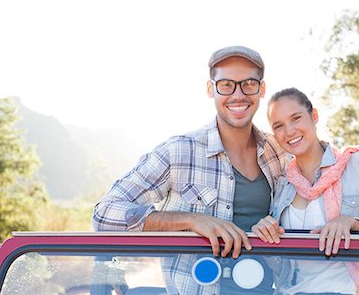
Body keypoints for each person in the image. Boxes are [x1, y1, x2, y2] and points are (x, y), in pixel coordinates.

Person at [92, 45, 285, 294]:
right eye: (226, 84)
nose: (238, 95)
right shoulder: (179, 151)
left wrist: (352, 220)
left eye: (248, 83)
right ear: (210, 89)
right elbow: (104, 214)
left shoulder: (279, 153)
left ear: (262, 89)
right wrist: (191, 220)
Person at [251, 87, 359, 294]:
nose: (289, 131)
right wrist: (266, 237)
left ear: (314, 116)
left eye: (296, 118)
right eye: (279, 126)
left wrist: (353, 223)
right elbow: (281, 266)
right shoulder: (282, 186)